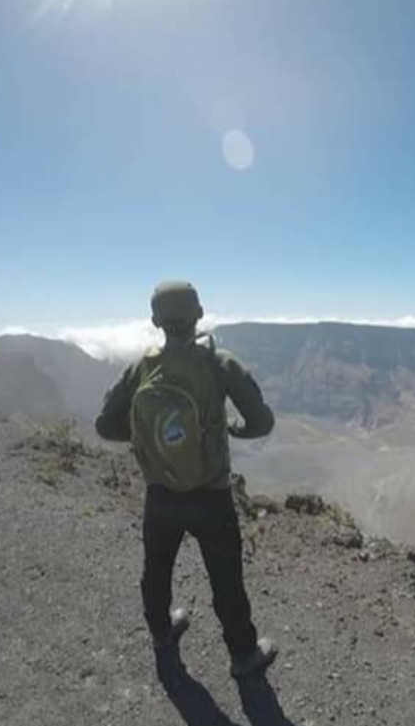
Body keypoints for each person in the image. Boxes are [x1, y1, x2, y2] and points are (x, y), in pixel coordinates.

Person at [95, 280, 278, 678]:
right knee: (226, 578)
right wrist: (230, 428)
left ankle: (162, 632)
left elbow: (105, 426)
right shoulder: (219, 363)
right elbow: (262, 422)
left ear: (155, 321)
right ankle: (244, 655)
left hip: (160, 493)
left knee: (156, 568)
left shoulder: (140, 367)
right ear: (198, 314)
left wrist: (149, 437)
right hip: (211, 495)